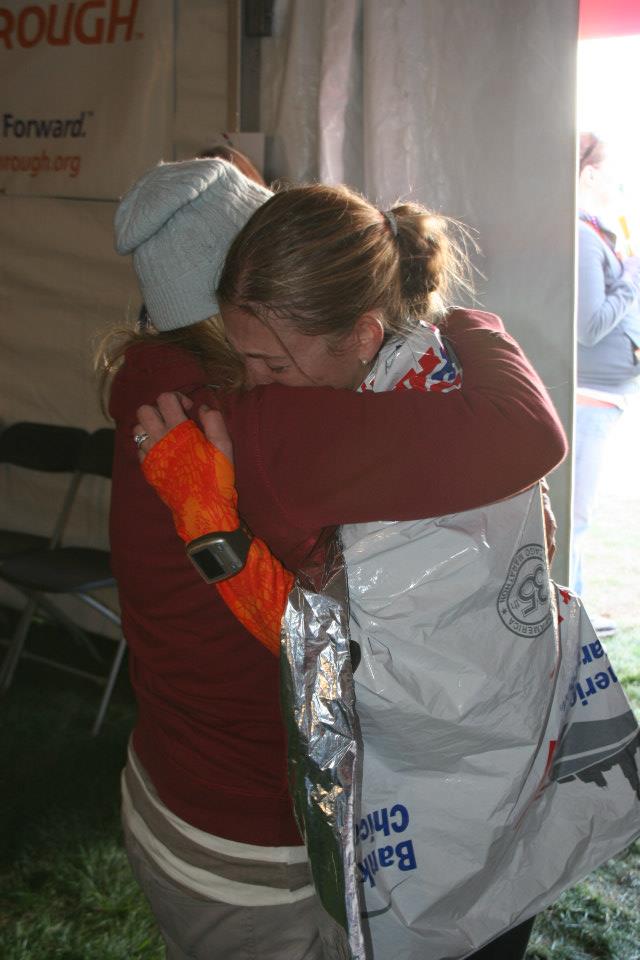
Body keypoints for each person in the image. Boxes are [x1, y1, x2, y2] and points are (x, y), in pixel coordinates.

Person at [107, 158, 567, 960]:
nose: (268, 377)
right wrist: (467, 321)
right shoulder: (268, 425)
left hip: (168, 794)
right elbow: (526, 433)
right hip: (259, 852)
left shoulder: (149, 388)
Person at [572, 133, 640, 632]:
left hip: (600, 399)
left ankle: (577, 612)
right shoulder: (581, 236)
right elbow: (589, 325)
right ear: (589, 174)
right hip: (588, 400)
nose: (619, 185)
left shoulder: (596, 233)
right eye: (612, 174)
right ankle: (574, 619)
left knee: (579, 516)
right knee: (576, 517)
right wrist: (633, 277)